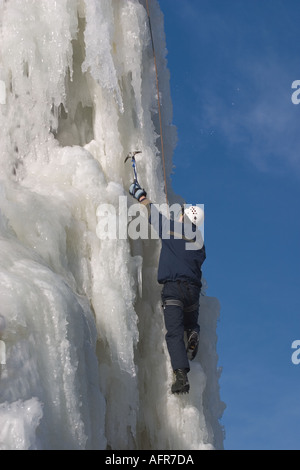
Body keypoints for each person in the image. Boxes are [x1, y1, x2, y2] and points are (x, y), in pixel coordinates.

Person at [129, 180, 206, 394]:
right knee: (190, 322)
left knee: (173, 334)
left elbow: (153, 215)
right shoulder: (199, 242)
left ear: (185, 217)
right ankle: (193, 332)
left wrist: (140, 195)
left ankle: (181, 376)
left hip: (174, 289)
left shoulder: (173, 229)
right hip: (193, 292)